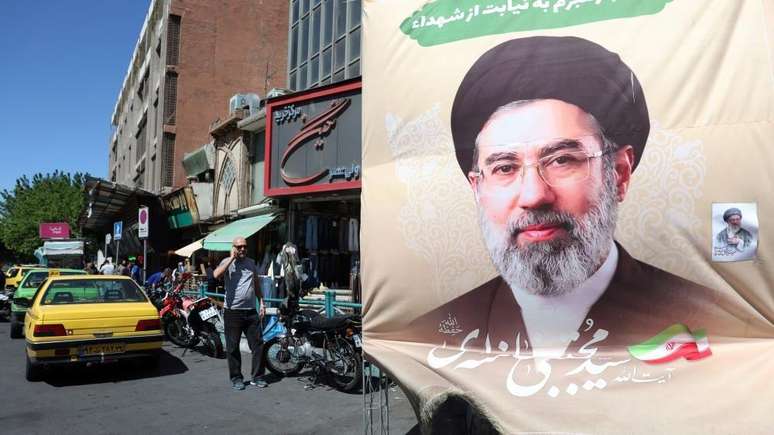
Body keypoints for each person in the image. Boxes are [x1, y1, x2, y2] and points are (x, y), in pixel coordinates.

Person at [411, 36, 771, 356]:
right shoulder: (433, 338)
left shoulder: (715, 325)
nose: (534, 195)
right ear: (478, 189)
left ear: (619, 173)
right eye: (505, 168)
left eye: (562, 160)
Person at [213, 236, 267, 391]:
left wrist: (261, 302)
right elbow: (216, 275)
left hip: (250, 311)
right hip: (233, 312)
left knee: (258, 345)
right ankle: (236, 378)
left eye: (244, 246)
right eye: (239, 246)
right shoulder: (226, 262)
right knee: (232, 347)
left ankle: (257, 377)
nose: (242, 249)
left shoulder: (251, 263)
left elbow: (256, 283)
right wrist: (231, 258)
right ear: (234, 248)